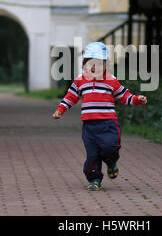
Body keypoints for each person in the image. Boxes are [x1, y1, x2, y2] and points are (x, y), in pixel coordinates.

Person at [52, 42, 148, 191]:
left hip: (108, 125)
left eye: (99, 64)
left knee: (109, 148)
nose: (94, 67)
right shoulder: (80, 80)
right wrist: (60, 109)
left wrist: (136, 99)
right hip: (89, 127)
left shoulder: (111, 80)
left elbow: (124, 96)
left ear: (106, 64)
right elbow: (70, 97)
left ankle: (111, 162)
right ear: (84, 64)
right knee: (92, 156)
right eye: (90, 63)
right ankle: (94, 179)